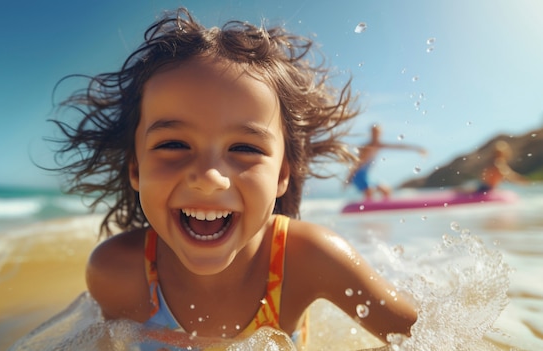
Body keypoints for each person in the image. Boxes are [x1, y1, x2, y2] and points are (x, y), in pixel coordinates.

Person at [51, 8, 417, 349]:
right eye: (175, 143)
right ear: (136, 168)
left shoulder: (309, 260)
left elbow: (425, 335)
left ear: (281, 176)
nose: (209, 177)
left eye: (244, 148)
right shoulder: (116, 273)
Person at [347, 124, 426, 200]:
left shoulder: (380, 145)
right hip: (358, 176)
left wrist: (417, 148)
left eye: (378, 133)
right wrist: (349, 178)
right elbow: (356, 163)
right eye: (374, 132)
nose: (376, 135)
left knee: (386, 190)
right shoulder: (366, 147)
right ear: (371, 133)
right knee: (369, 192)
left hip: (367, 175)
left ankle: (385, 209)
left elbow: (399, 146)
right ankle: (367, 210)